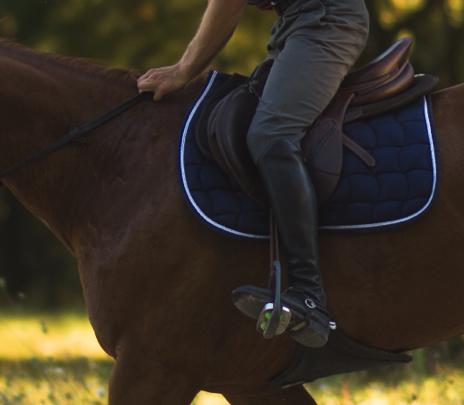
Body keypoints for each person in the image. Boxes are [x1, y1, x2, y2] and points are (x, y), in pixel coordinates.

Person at [137, 0, 368, 348]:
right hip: (296, 23)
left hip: (325, 20)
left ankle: (309, 295)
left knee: (271, 133)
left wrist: (184, 69)